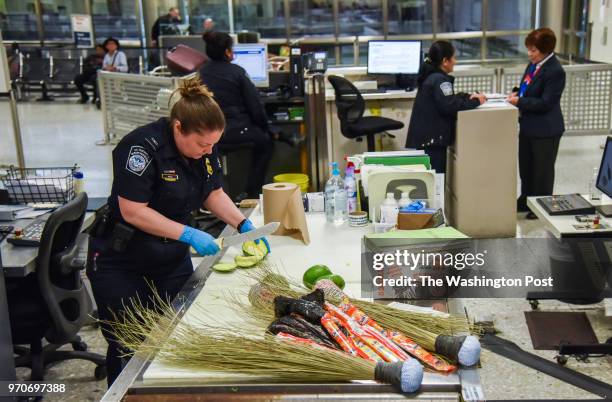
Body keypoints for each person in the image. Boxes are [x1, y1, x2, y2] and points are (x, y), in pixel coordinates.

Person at [86, 78, 270, 386]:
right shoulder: (141, 148)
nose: (209, 150)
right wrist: (188, 234)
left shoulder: (203, 148)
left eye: (213, 144)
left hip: (169, 257)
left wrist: (242, 223)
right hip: (121, 261)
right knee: (129, 343)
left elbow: (212, 192)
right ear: (178, 128)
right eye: (202, 145)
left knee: (179, 330)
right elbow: (133, 210)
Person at [199, 31, 273, 200]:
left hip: (210, 134)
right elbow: (256, 108)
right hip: (236, 131)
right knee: (266, 142)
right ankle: (251, 193)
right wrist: (266, 128)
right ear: (227, 52)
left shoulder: (201, 72)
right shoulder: (237, 72)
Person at [506, 28, 565, 220]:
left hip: (546, 129)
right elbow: (528, 87)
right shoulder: (534, 65)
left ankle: (540, 205)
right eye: (529, 49)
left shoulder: (555, 71)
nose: (530, 54)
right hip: (528, 125)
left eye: (534, 50)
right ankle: (526, 198)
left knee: (542, 170)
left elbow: (546, 102)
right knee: (527, 166)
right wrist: (517, 93)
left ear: (546, 49)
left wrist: (520, 102)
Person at [405, 41, 486, 173]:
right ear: (445, 61)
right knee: (436, 178)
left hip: (428, 137)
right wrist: (476, 102)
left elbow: (446, 99)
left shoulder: (432, 76)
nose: (455, 61)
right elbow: (449, 105)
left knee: (431, 177)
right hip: (433, 140)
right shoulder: (439, 80)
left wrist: (466, 97)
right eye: (453, 58)